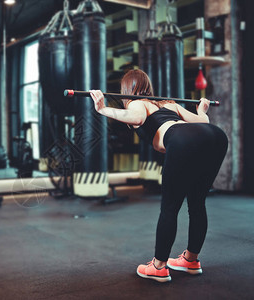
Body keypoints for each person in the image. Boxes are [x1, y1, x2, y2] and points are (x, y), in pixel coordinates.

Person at [90, 69, 228, 283]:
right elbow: (204, 122)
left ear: (127, 90)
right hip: (216, 137)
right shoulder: (169, 104)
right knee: (197, 203)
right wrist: (202, 109)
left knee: (170, 208)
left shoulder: (138, 102)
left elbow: (134, 117)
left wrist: (103, 109)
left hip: (182, 140)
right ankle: (191, 260)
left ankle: (159, 266)